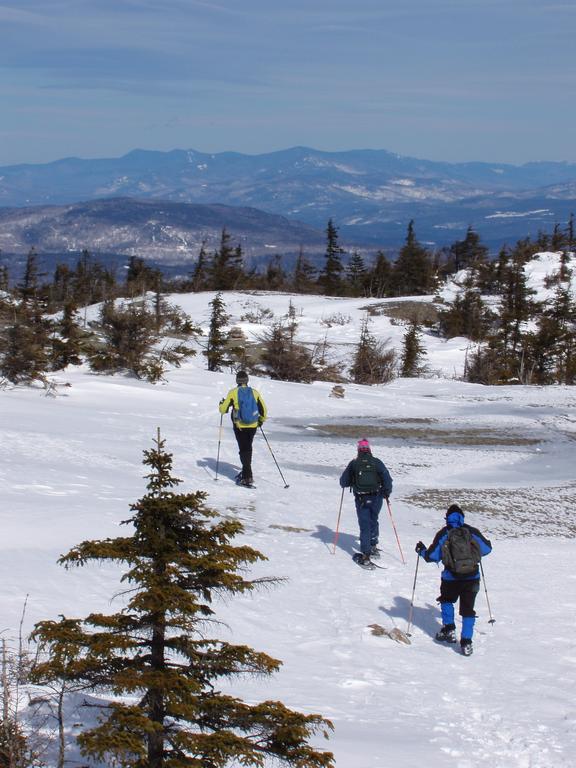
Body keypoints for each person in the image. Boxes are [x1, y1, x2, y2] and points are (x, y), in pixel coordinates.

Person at [415, 504, 492, 656]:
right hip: (472, 577)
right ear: (462, 517)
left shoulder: (444, 533)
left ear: (447, 518)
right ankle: (466, 643)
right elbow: (487, 549)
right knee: (467, 609)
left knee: (447, 600)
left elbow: (432, 556)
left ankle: (449, 629)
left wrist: (421, 551)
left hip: (451, 577)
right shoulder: (471, 531)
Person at [339, 438, 393, 566]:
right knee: (373, 520)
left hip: (361, 498)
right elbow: (387, 479)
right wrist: (386, 492)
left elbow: (343, 482)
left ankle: (366, 555)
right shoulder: (376, 462)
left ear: (358, 450)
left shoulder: (354, 463)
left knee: (365, 525)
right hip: (377, 497)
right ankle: (373, 546)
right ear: (369, 449)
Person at [219, 371, 267, 487]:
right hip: (253, 425)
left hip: (239, 426)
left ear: (237, 381)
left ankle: (247, 476)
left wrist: (221, 404)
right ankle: (246, 472)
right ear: (247, 380)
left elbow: (223, 410)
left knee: (244, 449)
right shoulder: (255, 392)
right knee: (247, 447)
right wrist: (260, 420)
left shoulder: (233, 392)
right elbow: (263, 410)